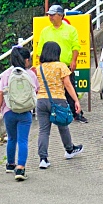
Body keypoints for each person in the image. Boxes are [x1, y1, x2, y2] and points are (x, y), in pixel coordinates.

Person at [35, 40, 84, 168]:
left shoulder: (38, 68)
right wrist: (76, 100)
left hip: (41, 100)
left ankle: (43, 159)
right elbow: (67, 84)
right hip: (58, 99)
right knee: (63, 125)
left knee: (43, 130)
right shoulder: (61, 66)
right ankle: (69, 149)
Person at [0, 45, 38, 181]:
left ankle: (10, 164)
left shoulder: (7, 74)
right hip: (25, 112)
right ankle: (21, 168)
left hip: (9, 111)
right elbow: (35, 91)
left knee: (12, 138)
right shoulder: (30, 74)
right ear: (26, 60)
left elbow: (0, 93)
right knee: (23, 140)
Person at [36, 5, 82, 115]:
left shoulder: (71, 30)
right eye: (49, 15)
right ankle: (53, 111)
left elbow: (76, 47)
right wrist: (41, 65)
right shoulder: (45, 31)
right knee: (51, 90)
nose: (50, 17)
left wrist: (74, 60)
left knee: (70, 87)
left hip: (65, 65)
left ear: (61, 16)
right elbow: (40, 50)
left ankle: (76, 113)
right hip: (49, 66)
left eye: (52, 15)